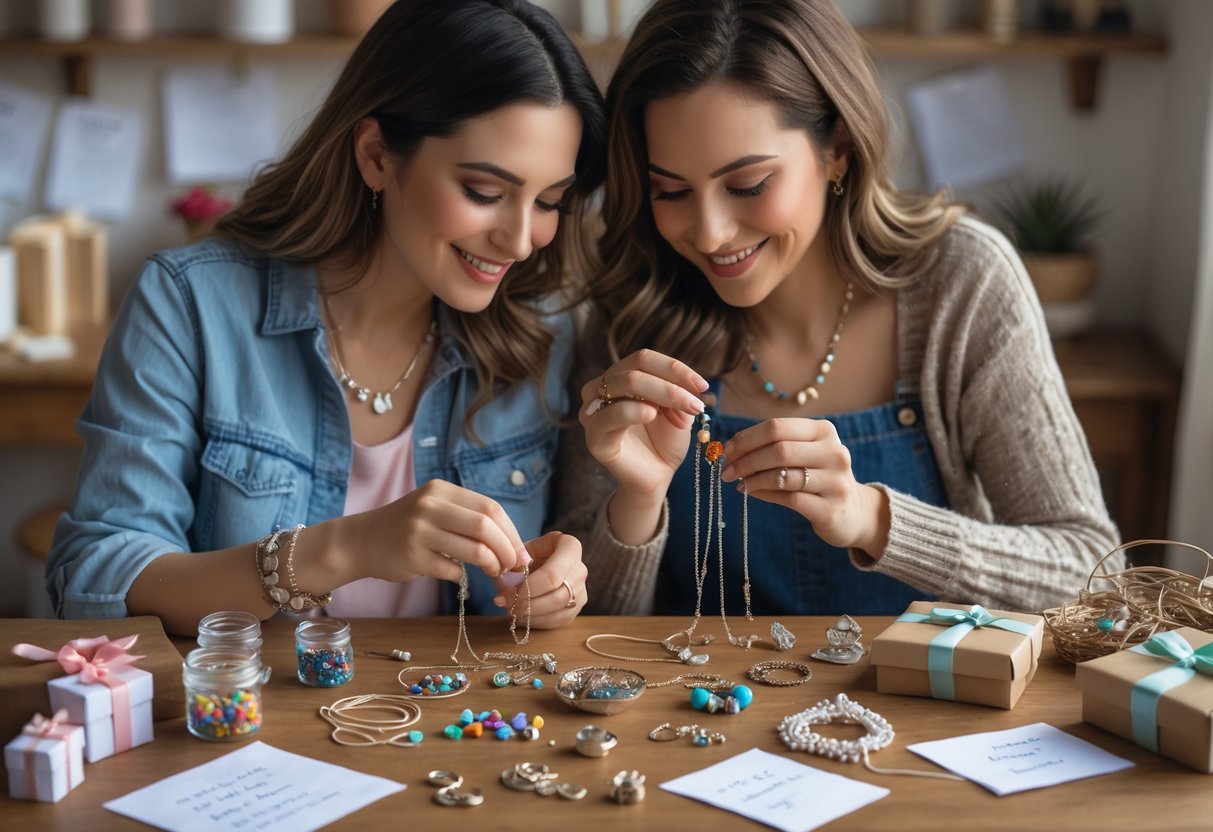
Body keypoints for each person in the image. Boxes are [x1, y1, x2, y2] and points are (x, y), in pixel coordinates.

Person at [48, 0, 606, 635]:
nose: (521, 240)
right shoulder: (189, 305)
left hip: (454, 724)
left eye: (550, 201)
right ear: (376, 155)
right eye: (485, 192)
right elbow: (94, 580)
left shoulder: (543, 328)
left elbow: (572, 561)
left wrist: (558, 579)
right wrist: (343, 550)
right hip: (246, 721)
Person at [556, 0, 1118, 617]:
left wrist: (870, 517)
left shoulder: (962, 283)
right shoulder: (632, 308)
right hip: (705, 711)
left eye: (747, 185)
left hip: (937, 712)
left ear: (839, 150)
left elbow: (1092, 575)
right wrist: (636, 500)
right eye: (671, 191)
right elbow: (587, 637)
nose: (711, 233)